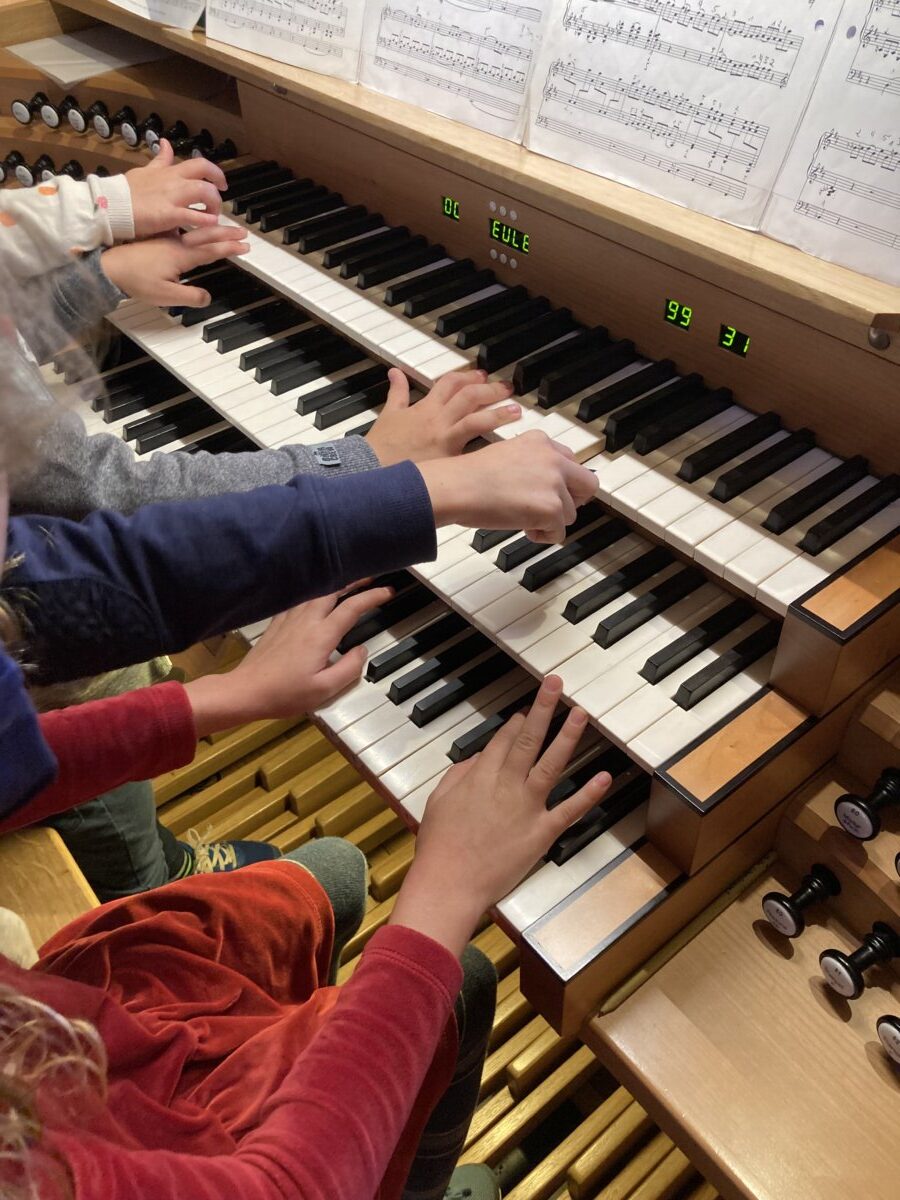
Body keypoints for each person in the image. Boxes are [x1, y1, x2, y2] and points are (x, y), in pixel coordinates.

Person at [0, 430, 612, 1200]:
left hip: (68, 1034)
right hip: (159, 1139)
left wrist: (219, 697)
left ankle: (294, 1030)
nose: (23, 534)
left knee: (329, 877)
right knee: (458, 982)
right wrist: (448, 891)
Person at [2, 146, 525, 895]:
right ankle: (147, 887)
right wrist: (372, 464)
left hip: (47, 659)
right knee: (129, 805)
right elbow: (95, 499)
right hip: (52, 696)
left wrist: (97, 275)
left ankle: (154, 858)